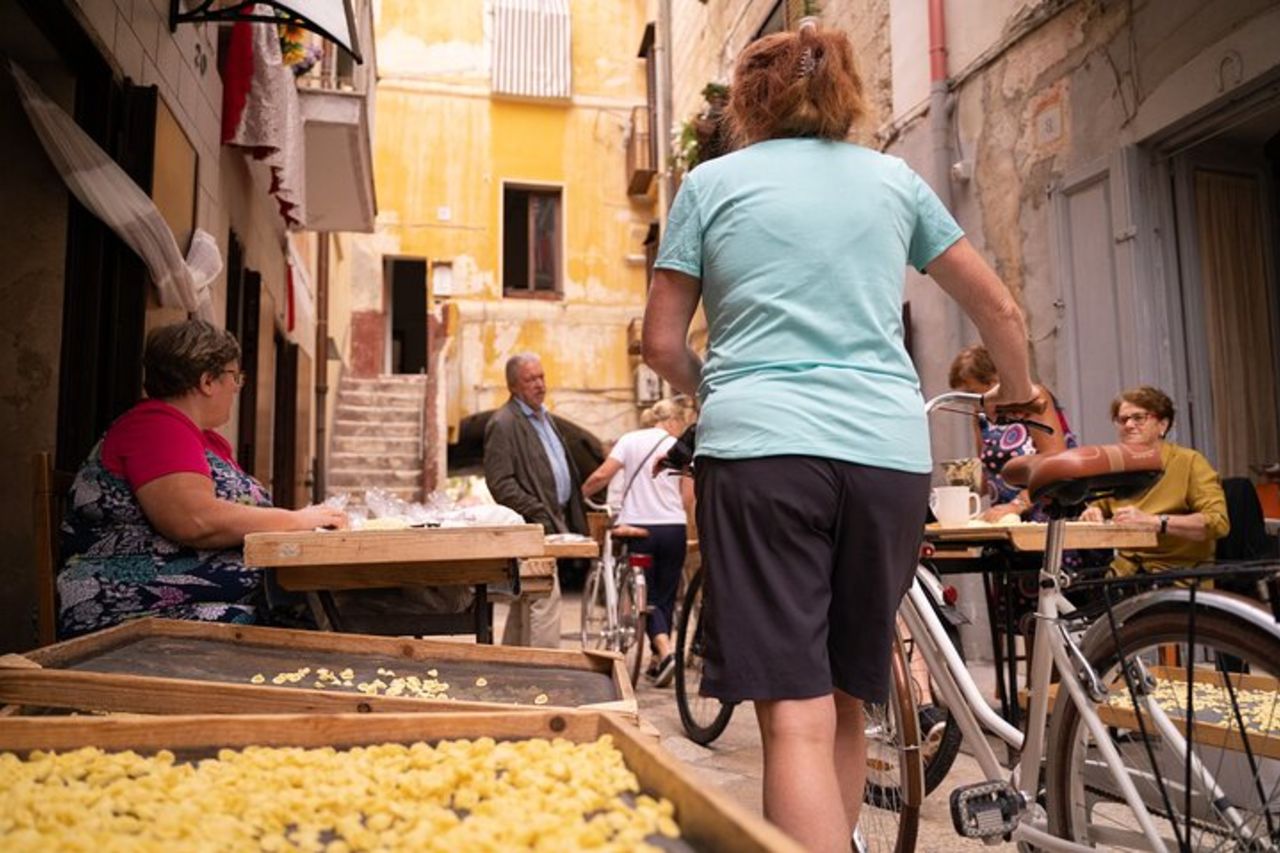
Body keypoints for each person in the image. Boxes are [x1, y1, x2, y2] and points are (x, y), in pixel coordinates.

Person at [641, 22, 1043, 851]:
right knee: (849, 691)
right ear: (847, 94)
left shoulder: (711, 186)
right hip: (887, 457)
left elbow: (660, 342)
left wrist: (711, 386)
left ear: (750, 101)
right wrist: (1016, 392)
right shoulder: (894, 181)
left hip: (762, 454)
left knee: (793, 714)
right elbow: (1000, 308)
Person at [57, 320, 348, 639]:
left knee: (339, 609)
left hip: (207, 603)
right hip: (138, 613)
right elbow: (194, 519)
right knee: (329, 623)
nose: (237, 387)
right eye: (234, 376)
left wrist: (301, 521)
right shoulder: (156, 428)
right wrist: (297, 520)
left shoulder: (200, 439)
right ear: (208, 380)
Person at [580, 398, 696, 687]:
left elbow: (603, 474)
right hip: (673, 529)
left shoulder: (631, 440)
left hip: (638, 528)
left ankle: (666, 653)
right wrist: (669, 507)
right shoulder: (679, 445)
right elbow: (688, 495)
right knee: (666, 596)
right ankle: (659, 661)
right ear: (673, 420)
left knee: (648, 596)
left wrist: (584, 492)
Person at [483, 353, 588, 648]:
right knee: (544, 597)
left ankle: (512, 667)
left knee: (526, 597)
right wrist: (537, 510)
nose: (540, 385)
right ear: (514, 386)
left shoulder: (545, 417)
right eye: (531, 379)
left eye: (542, 377)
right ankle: (545, 671)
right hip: (530, 527)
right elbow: (500, 483)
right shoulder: (503, 423)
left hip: (549, 522)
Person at [1080, 385, 1229, 574]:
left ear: (1162, 425)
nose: (1128, 425)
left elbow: (1217, 522)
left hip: (1178, 576)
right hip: (1124, 574)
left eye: (1139, 418)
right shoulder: (1116, 466)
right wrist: (1092, 512)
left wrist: (1155, 522)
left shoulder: (1189, 462)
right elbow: (1098, 505)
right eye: (1122, 419)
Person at [949, 344, 1074, 521]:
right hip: (1003, 518)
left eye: (972, 392)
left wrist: (1017, 505)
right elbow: (987, 473)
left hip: (1045, 515)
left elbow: (1055, 469)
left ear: (994, 381)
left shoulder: (1033, 400)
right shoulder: (980, 413)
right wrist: (955, 491)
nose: (972, 401)